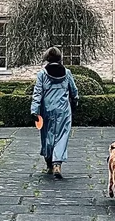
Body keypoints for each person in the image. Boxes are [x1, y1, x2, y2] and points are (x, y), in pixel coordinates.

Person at [30, 46, 79, 178]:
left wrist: (34, 110)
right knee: (62, 136)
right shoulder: (67, 73)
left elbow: (37, 93)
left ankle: (49, 163)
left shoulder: (42, 74)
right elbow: (74, 90)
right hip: (63, 110)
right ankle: (57, 164)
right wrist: (75, 102)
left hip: (47, 109)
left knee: (47, 135)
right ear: (60, 58)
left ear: (47, 58)